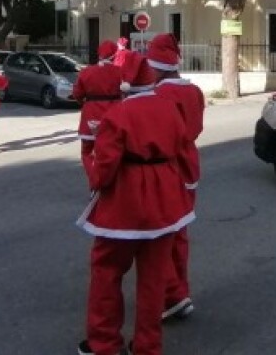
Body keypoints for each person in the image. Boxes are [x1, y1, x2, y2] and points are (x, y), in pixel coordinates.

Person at [77, 57, 195, 355]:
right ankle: (147, 345)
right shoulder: (170, 109)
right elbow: (184, 150)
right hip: (165, 204)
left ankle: (103, 343)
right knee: (154, 280)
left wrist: (94, 180)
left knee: (106, 271)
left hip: (124, 205)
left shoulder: (118, 114)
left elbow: (104, 167)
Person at [146, 33, 205, 322]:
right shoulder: (194, 91)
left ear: (156, 64)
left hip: (168, 170)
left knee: (159, 237)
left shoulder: (161, 95)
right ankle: (181, 289)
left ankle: (173, 295)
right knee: (179, 234)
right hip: (189, 167)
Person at [72, 40, 124, 169]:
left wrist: (84, 103)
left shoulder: (86, 72)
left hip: (91, 113)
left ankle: (93, 177)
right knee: (113, 148)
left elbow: (77, 93)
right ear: (115, 55)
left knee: (87, 151)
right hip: (114, 114)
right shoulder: (120, 72)